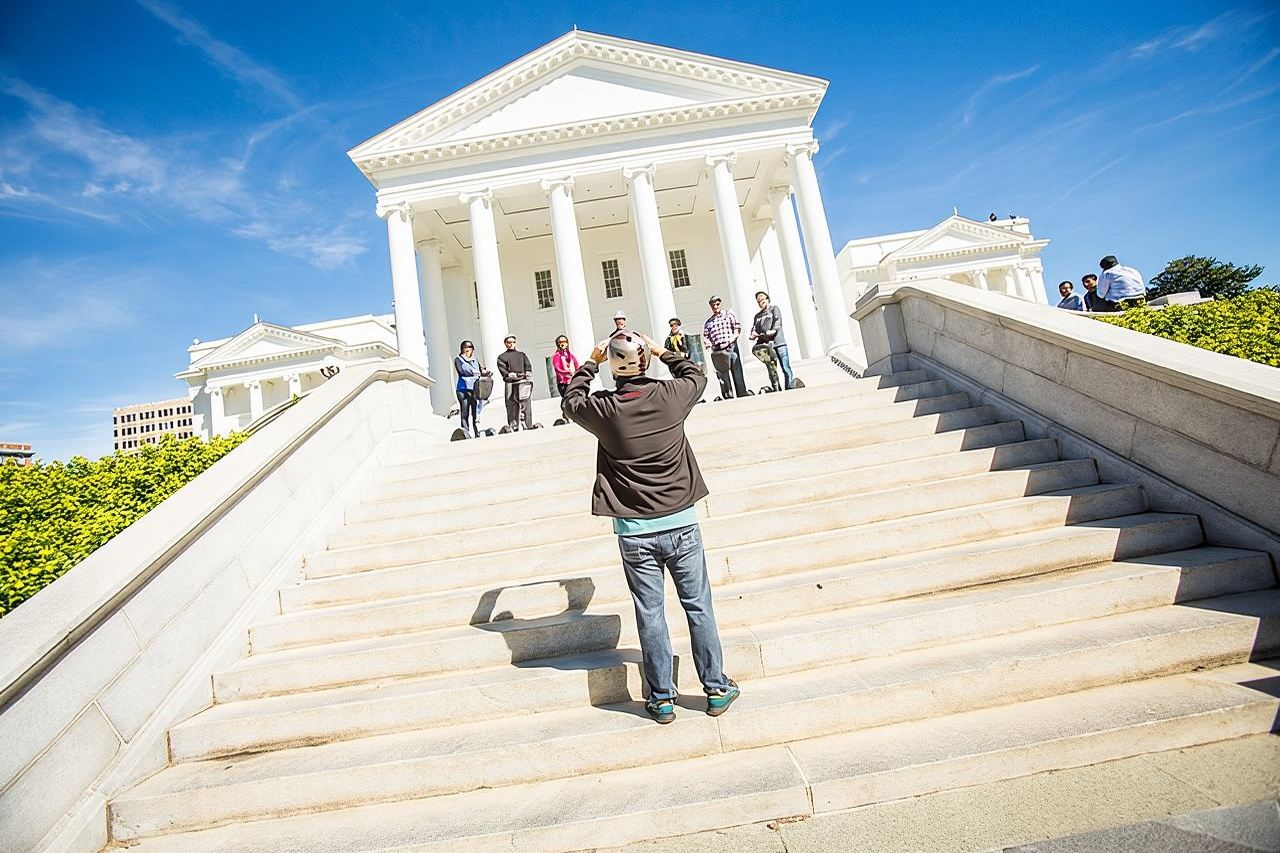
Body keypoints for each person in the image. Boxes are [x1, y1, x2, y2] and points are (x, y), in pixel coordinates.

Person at [561, 330, 738, 724]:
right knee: (699, 608)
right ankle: (715, 687)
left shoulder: (604, 409)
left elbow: (571, 401)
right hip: (681, 523)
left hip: (634, 532)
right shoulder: (672, 396)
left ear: (612, 367)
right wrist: (660, 351)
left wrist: (589, 361)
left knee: (651, 614)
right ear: (646, 361)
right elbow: (696, 374)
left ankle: (661, 698)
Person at [702, 296, 748, 399]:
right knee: (722, 374)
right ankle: (728, 395)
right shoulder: (709, 322)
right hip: (718, 350)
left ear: (720, 304)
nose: (715, 306)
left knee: (737, 371)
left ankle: (741, 393)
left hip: (730, 347)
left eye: (717, 304)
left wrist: (733, 338)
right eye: (713, 305)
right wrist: (709, 345)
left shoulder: (729, 315)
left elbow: (737, 327)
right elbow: (706, 336)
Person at [750, 291, 795, 390]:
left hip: (779, 343)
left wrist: (769, 332)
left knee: (785, 367)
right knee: (772, 370)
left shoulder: (774, 309)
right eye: (758, 300)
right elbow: (754, 329)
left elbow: (777, 325)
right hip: (766, 346)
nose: (761, 301)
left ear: (767, 299)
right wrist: (753, 334)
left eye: (762, 299)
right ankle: (776, 388)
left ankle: (789, 387)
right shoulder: (757, 316)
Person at [496, 334, 536, 431]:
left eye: (513, 342)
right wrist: (511, 375)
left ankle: (528, 424)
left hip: (523, 382)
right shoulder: (502, 357)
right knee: (511, 405)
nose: (511, 344)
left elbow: (528, 366)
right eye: (509, 342)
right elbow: (504, 371)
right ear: (505, 344)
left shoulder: (522, 355)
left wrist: (526, 373)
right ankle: (513, 425)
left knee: (526, 403)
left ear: (515, 343)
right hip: (510, 383)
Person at [453, 340, 487, 438]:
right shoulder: (458, 359)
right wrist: (475, 372)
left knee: (475, 411)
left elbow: (481, 369)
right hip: (463, 388)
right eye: (466, 349)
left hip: (474, 388)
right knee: (465, 411)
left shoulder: (475, 359)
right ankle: (465, 431)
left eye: (470, 349)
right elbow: (463, 370)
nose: (469, 351)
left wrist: (484, 371)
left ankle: (477, 431)